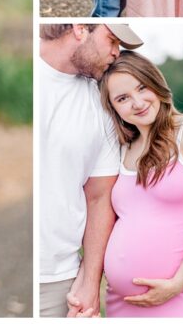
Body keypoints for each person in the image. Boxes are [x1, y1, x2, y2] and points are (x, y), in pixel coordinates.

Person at [98, 51, 183, 317]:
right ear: (113, 108)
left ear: (156, 84)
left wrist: (176, 284)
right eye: (123, 98)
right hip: (123, 303)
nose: (137, 103)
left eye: (141, 87)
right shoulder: (121, 149)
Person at [38, 23, 144, 317]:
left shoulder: (101, 106)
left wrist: (89, 282)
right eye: (112, 40)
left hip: (58, 281)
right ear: (80, 29)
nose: (115, 53)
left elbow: (99, 199)